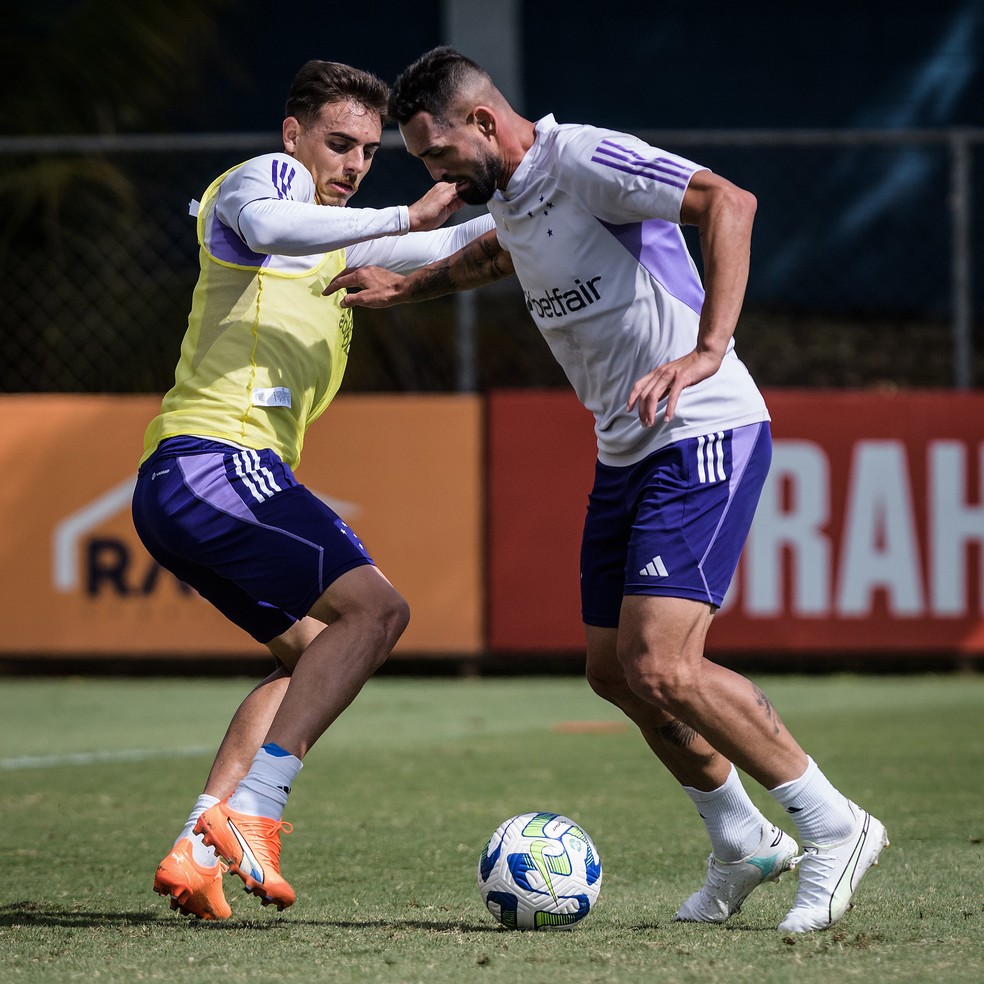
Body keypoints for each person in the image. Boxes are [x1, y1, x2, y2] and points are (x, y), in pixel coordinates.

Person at [326, 47, 888, 933]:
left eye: (437, 157)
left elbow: (726, 202)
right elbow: (498, 256)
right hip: (626, 452)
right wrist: (409, 285)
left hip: (703, 431)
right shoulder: (509, 196)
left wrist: (708, 349)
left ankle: (835, 825)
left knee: (665, 663)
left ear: (481, 121)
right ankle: (742, 841)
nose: (434, 176)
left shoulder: (581, 157)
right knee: (613, 671)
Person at [132, 58, 494, 921]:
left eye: (369, 151)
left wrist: (542, 208)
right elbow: (267, 220)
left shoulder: (338, 232)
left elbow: (443, 247)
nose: (354, 164)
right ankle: (257, 812)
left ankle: (197, 845)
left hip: (201, 481)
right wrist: (407, 210)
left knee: (310, 659)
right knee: (378, 613)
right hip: (215, 459)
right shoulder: (266, 182)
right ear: (294, 135)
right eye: (339, 143)